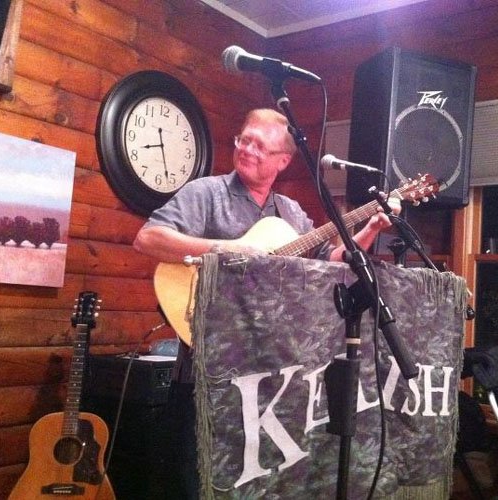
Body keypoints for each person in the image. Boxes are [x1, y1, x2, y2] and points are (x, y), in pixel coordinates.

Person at [132, 108, 398, 498]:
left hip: (269, 376)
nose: (248, 149)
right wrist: (227, 248)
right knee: (198, 483)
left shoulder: (290, 213)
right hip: (206, 373)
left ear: (283, 161)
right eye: (244, 139)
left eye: (260, 145)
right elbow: (148, 239)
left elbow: (332, 261)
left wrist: (372, 227)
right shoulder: (206, 194)